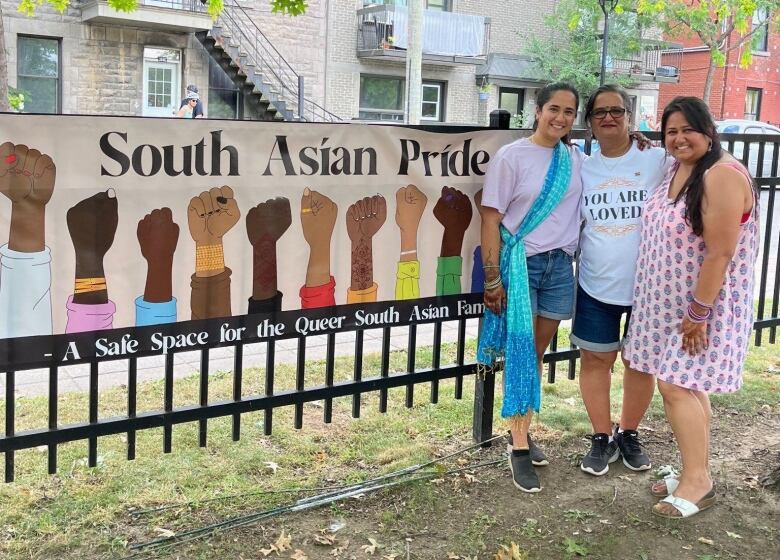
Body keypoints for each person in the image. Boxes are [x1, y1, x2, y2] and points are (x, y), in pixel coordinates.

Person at [623, 96, 760, 518]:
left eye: (688, 130)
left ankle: (698, 481)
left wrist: (698, 314)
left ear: (709, 130)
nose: (679, 138)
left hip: (702, 306)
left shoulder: (721, 175)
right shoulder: (679, 166)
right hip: (665, 301)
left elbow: (720, 253)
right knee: (689, 384)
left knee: (675, 385)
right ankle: (692, 470)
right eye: (671, 131)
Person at [478, 82, 585, 493]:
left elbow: (619, 163)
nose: (560, 117)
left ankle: (520, 427)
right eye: (553, 109)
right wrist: (492, 277)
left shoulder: (575, 158)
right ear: (537, 110)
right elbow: (490, 219)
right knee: (521, 352)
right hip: (522, 265)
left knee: (535, 355)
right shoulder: (512, 157)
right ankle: (519, 444)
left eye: (569, 112)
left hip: (560, 267)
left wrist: (640, 142)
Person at [572, 84, 670, 476]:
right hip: (596, 282)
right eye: (599, 113)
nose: (608, 117)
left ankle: (629, 431)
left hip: (648, 284)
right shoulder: (581, 165)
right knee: (596, 359)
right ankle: (600, 436)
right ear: (590, 124)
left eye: (617, 110)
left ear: (630, 117)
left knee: (640, 363)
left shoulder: (658, 159)